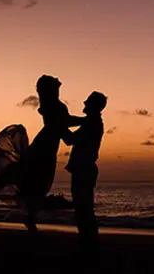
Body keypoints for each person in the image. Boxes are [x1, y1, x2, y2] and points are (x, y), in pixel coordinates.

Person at [17, 75, 84, 232]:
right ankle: (30, 218)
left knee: (38, 183)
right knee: (40, 182)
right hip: (46, 145)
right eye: (56, 88)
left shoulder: (51, 105)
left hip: (47, 143)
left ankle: (30, 217)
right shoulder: (53, 106)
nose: (58, 91)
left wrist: (82, 123)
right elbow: (65, 123)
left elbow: (64, 125)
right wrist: (85, 122)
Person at [64, 91, 107, 255]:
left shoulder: (92, 123)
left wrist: (56, 125)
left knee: (83, 208)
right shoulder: (92, 122)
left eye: (87, 101)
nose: (84, 103)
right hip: (85, 169)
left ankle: (89, 245)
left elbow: (69, 140)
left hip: (83, 169)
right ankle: (89, 243)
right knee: (84, 208)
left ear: (93, 106)